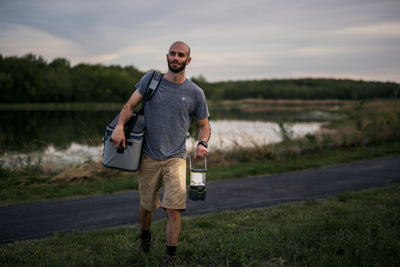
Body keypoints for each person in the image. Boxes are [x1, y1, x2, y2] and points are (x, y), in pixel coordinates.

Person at [111, 41, 211, 266]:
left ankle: (170, 258)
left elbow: (204, 125)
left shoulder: (196, 93)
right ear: (167, 57)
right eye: (173, 54)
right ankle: (145, 236)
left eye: (181, 55)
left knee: (174, 210)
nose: (176, 58)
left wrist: (202, 142)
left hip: (176, 158)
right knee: (146, 206)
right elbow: (129, 106)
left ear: (188, 60)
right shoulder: (151, 80)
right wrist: (119, 127)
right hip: (148, 156)